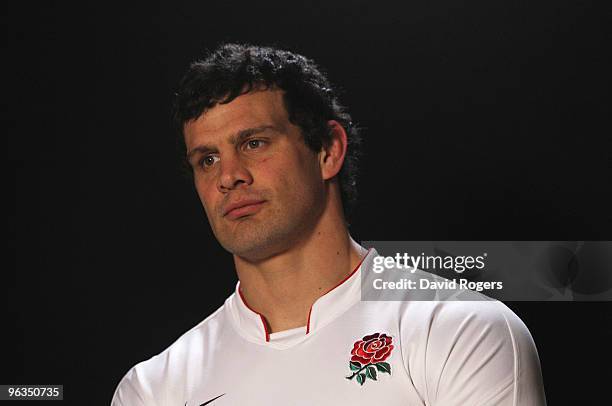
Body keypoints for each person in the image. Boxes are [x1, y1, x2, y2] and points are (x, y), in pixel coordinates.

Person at [111, 43, 546, 405]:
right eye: (207, 159)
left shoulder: (459, 330)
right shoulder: (154, 389)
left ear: (327, 151)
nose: (229, 176)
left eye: (254, 143)